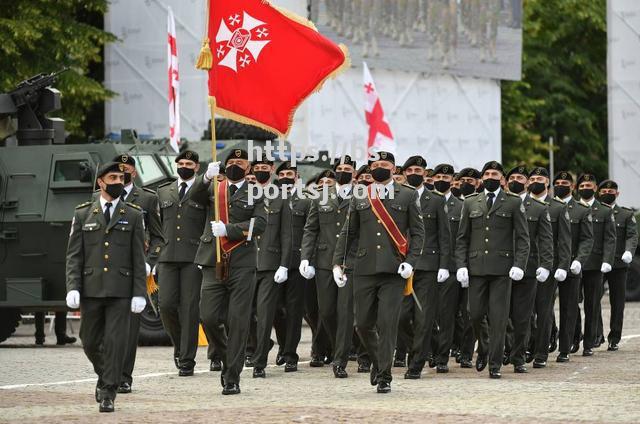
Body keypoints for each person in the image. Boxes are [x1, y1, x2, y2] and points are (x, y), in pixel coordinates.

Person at [333, 151, 425, 393]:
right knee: (362, 324)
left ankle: (384, 375)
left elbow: (417, 233)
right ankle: (378, 361)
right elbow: (348, 232)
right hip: (363, 268)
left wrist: (411, 261)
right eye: (375, 165)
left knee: (387, 324)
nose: (379, 168)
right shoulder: (360, 195)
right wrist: (337, 263)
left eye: (384, 165)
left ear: (394, 169)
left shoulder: (408, 194)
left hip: (394, 270)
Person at [65, 162, 147, 412]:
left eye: (121, 178)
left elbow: (137, 257)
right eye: (112, 177)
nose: (118, 182)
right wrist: (73, 286)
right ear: (100, 182)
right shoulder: (82, 213)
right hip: (91, 289)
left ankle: (108, 392)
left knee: (115, 343)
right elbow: (74, 255)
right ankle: (106, 376)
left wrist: (139, 292)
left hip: (121, 291)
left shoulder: (133, 214)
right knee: (88, 341)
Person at [197, 148, 266, 395]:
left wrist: (229, 230)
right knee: (208, 316)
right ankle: (229, 356)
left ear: (248, 168)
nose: (236, 165)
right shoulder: (215, 187)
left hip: (243, 263)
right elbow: (192, 198)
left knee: (238, 321)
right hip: (212, 259)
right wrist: (205, 177)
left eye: (241, 162)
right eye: (232, 162)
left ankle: (232, 376)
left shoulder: (255, 192)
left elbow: (260, 225)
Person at [455, 160, 530, 379]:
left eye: (495, 174)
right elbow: (462, 238)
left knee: (498, 318)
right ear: (481, 179)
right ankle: (485, 347)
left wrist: (519, 264)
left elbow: (523, 238)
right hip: (477, 268)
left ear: (502, 179)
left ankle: (495, 364)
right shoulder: (470, 202)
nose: (490, 177)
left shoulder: (513, 202)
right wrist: (461, 266)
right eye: (487, 173)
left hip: (502, 270)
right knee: (474, 314)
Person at [100, 154, 166, 394]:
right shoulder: (98, 199)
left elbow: (159, 237)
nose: (121, 175)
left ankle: (124, 376)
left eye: (126, 170)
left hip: (135, 270)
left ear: (134, 173)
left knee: (128, 328)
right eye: (117, 171)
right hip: (106, 271)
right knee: (105, 328)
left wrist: (150, 263)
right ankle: (106, 373)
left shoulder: (147, 199)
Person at [301, 156, 362, 378]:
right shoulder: (321, 197)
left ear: (354, 173)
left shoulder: (361, 197)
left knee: (346, 312)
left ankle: (340, 359)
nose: (343, 171)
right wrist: (305, 258)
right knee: (326, 311)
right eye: (339, 168)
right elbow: (311, 229)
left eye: (347, 168)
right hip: (325, 261)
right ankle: (342, 345)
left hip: (350, 261)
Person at [157, 150, 212, 376]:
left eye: (189, 163)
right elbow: (157, 225)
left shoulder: (204, 190)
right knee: (166, 305)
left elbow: (209, 222)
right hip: (168, 256)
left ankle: (187, 359)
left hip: (193, 257)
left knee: (190, 309)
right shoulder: (163, 191)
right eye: (181, 163)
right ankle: (180, 347)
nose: (184, 166)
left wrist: (205, 252)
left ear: (197, 167)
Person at [398, 156, 450, 380]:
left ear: (425, 173)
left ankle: (416, 364)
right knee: (399, 317)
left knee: (423, 317)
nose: (414, 173)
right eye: (410, 169)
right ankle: (418, 348)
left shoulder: (436, 200)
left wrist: (444, 265)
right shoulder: (396, 196)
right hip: (401, 265)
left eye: (418, 169)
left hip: (427, 265)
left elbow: (444, 235)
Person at [505, 165, 553, 373]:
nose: (516, 180)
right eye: (512, 177)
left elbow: (546, 240)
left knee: (524, 316)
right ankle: (506, 348)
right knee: (499, 315)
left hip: (530, 268)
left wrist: (546, 265)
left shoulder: (537, 207)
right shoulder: (499, 204)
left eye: (520, 178)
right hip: (502, 267)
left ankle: (520, 356)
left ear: (526, 183)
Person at [249, 157, 291, 378]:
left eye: (265, 168)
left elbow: (286, 234)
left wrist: (284, 265)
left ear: (272, 170)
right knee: (243, 314)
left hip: (269, 264)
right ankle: (255, 347)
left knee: (265, 315)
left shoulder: (280, 197)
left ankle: (259, 363)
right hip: (244, 263)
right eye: (257, 169)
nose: (261, 172)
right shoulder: (244, 194)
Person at [527, 167, 571, 368]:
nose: (536, 181)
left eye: (540, 178)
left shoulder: (558, 207)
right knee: (523, 311)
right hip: (524, 265)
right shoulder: (521, 204)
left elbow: (564, 240)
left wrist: (562, 265)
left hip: (548, 265)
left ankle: (541, 353)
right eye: (533, 178)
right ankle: (526, 345)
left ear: (547, 182)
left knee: (543, 310)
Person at [552, 171, 593, 363]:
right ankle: (547, 338)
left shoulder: (582, 210)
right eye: (558, 182)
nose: (561, 185)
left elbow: (586, 239)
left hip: (571, 265)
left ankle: (565, 347)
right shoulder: (546, 207)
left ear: (573, 187)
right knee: (544, 307)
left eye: (565, 183)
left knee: (569, 307)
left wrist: (579, 260)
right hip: (550, 265)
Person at [431, 164, 467, 373]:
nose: (442, 179)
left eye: (447, 176)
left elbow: (464, 238)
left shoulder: (461, 206)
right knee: (422, 315)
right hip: (426, 265)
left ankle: (442, 356)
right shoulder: (423, 201)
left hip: (451, 267)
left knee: (446, 315)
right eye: (439, 176)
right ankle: (431, 349)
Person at [575, 174, 616, 357]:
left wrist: (607, 260)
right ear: (577, 188)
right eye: (582, 185)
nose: (586, 188)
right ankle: (574, 338)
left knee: (592, 305)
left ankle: (589, 342)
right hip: (574, 264)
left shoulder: (605, 211)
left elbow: (609, 239)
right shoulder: (570, 209)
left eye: (589, 185)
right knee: (571, 304)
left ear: (595, 189)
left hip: (594, 265)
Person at [278, 161, 312, 371]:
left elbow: (311, 231)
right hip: (274, 262)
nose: (285, 177)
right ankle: (282, 345)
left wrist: (309, 259)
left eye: (289, 173)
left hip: (297, 262)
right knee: (272, 309)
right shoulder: (268, 199)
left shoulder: (306, 202)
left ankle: (290, 353)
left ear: (297, 176)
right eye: (282, 173)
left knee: (294, 310)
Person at [597, 180, 638, 351]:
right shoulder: (593, 212)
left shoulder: (625, 214)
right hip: (597, 263)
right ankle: (596, 333)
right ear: (599, 193)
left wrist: (629, 251)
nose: (608, 193)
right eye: (604, 190)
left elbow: (631, 236)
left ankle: (615, 337)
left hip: (618, 263)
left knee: (618, 301)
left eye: (611, 191)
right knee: (593, 300)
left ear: (617, 194)